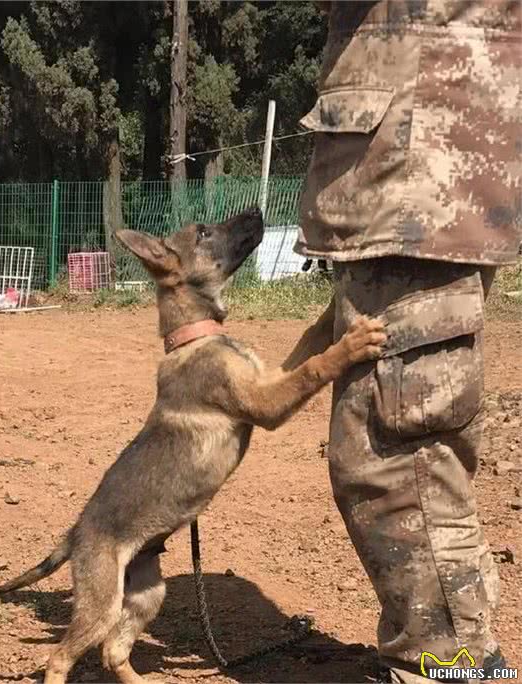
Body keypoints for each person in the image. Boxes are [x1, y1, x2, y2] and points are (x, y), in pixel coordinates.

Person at [292, 2, 521, 682]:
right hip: (427, 169)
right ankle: (450, 657)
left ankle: (449, 666)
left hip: (418, 169)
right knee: (414, 453)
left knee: (401, 462)